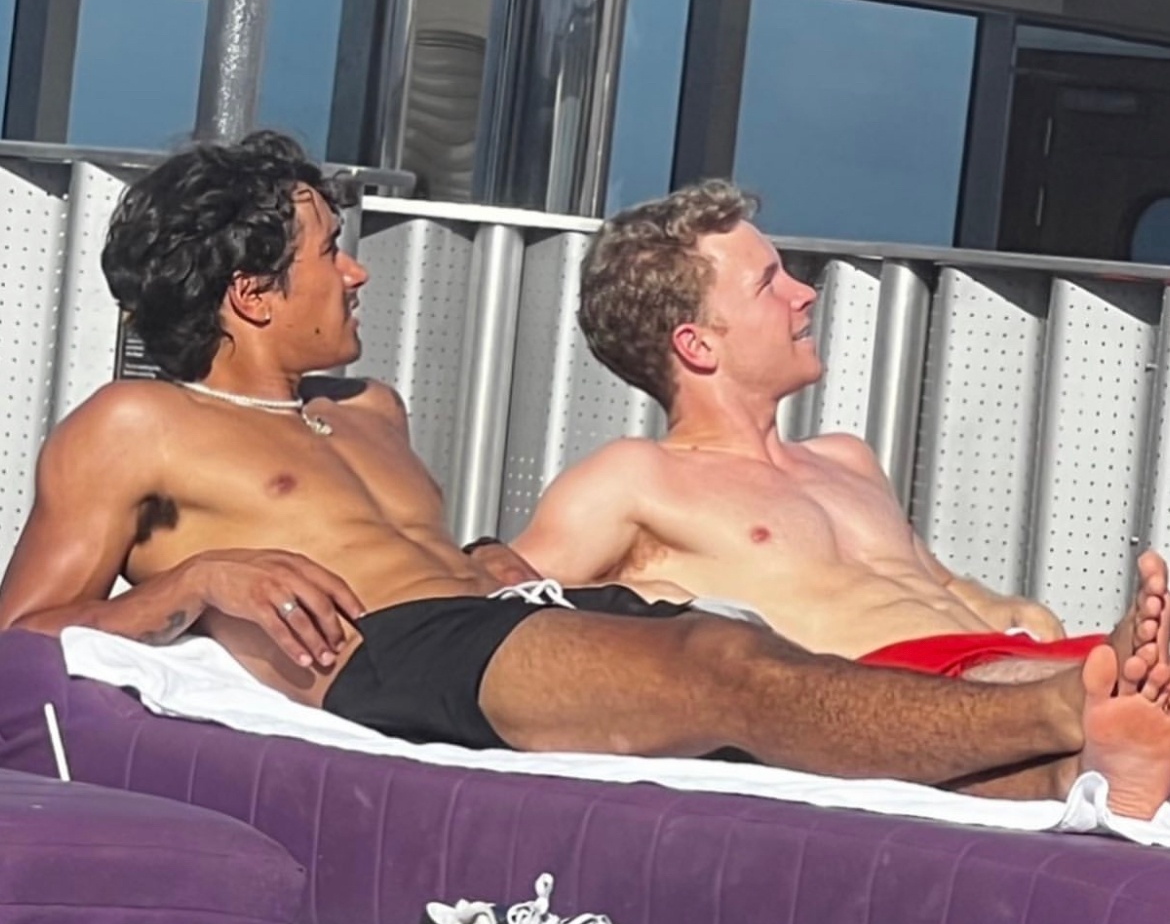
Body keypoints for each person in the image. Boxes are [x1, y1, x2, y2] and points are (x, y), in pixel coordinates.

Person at [0, 134, 1168, 820]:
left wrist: (489, 557)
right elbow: (21, 632)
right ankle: (1066, 703)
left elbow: (427, 551)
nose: (358, 275)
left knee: (772, 702)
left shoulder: (369, 410)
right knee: (722, 670)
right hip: (385, 657)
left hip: (500, 620)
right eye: (329, 254)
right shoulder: (137, 422)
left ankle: (1079, 768)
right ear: (252, 294)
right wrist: (196, 581)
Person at [514, 180, 1169, 692]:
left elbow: (939, 586)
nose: (804, 293)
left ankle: (1118, 677)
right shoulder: (636, 477)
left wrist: (1002, 607)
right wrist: (644, 614)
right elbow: (500, 603)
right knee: (1120, 687)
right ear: (698, 344)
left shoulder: (845, 459)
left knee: (1123, 672)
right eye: (768, 284)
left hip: (1014, 667)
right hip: (902, 694)